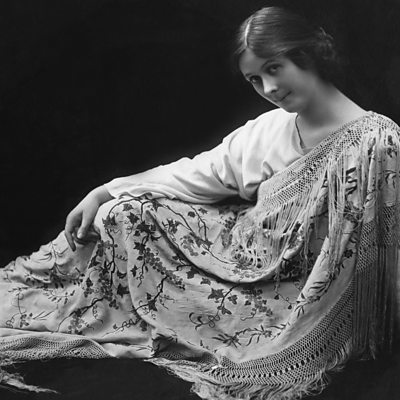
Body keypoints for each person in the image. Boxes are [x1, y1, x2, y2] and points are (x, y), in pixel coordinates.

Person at [0, 6, 399, 400]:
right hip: (237, 253)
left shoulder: (377, 142)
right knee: (122, 213)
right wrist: (103, 191)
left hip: (287, 289)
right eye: (255, 79)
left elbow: (381, 246)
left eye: (274, 68)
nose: (269, 88)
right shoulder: (270, 128)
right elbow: (200, 172)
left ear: (308, 55)